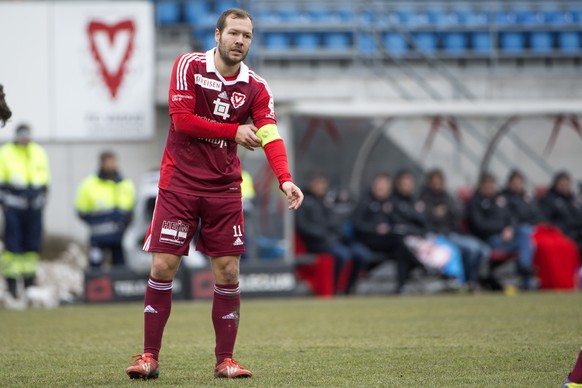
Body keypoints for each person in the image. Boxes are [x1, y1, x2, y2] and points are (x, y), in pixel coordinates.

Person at [125, 8, 303, 380]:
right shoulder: (188, 66)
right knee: (163, 266)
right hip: (180, 184)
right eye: (234, 33)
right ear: (217, 34)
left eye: (247, 36)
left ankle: (226, 360)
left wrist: (285, 178)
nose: (240, 41)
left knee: (228, 270)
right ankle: (148, 357)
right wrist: (233, 131)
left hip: (224, 189)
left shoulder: (256, 86)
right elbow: (181, 120)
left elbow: (269, 133)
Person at [296, 174, 371, 294]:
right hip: (318, 243)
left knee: (362, 254)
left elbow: (335, 223)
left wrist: (340, 234)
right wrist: (324, 234)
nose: (322, 186)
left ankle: (349, 287)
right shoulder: (303, 202)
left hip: (336, 240)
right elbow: (304, 227)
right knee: (343, 255)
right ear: (311, 184)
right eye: (319, 183)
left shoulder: (327, 202)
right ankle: (334, 288)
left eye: (324, 183)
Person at [0, 124, 50, 299]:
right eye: (22, 135)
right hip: (14, 207)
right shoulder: (5, 153)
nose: (24, 139)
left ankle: (29, 284)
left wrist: (41, 199)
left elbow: (44, 181)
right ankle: (12, 284)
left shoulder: (38, 152)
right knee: (13, 245)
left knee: (32, 245)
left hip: (34, 207)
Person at [419, 169, 490, 289]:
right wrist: (436, 213)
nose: (437, 185)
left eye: (439, 182)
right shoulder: (424, 198)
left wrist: (446, 209)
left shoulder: (448, 197)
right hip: (437, 236)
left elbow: (460, 212)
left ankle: (472, 280)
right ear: (429, 183)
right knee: (466, 250)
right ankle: (466, 282)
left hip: (453, 234)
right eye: (434, 182)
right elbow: (426, 219)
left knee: (482, 249)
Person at [466, 173, 535, 289]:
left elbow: (512, 217)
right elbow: (480, 225)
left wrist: (510, 228)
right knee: (525, 245)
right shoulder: (475, 202)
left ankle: (525, 273)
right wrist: (502, 228)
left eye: (492, 184)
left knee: (525, 233)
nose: (490, 187)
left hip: (508, 237)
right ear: (481, 185)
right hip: (490, 239)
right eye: (487, 185)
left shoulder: (501, 199)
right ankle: (524, 272)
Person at [352, 173, 418, 293]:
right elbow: (357, 224)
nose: (382, 189)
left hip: (387, 240)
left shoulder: (392, 203)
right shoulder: (365, 202)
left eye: (385, 186)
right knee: (400, 244)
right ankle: (418, 265)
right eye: (380, 185)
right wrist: (375, 228)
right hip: (367, 240)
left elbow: (399, 221)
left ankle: (401, 285)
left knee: (402, 246)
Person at [75, 151, 136, 269]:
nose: (111, 165)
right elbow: (81, 211)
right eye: (108, 162)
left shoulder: (126, 184)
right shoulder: (89, 184)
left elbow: (132, 209)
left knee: (120, 269)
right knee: (96, 269)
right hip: (98, 238)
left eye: (113, 162)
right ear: (101, 163)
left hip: (120, 238)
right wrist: (96, 222)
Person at [539, 171, 582, 254]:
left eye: (567, 184)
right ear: (556, 184)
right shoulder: (548, 200)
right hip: (564, 234)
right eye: (562, 184)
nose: (565, 186)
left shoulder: (573, 200)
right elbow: (545, 221)